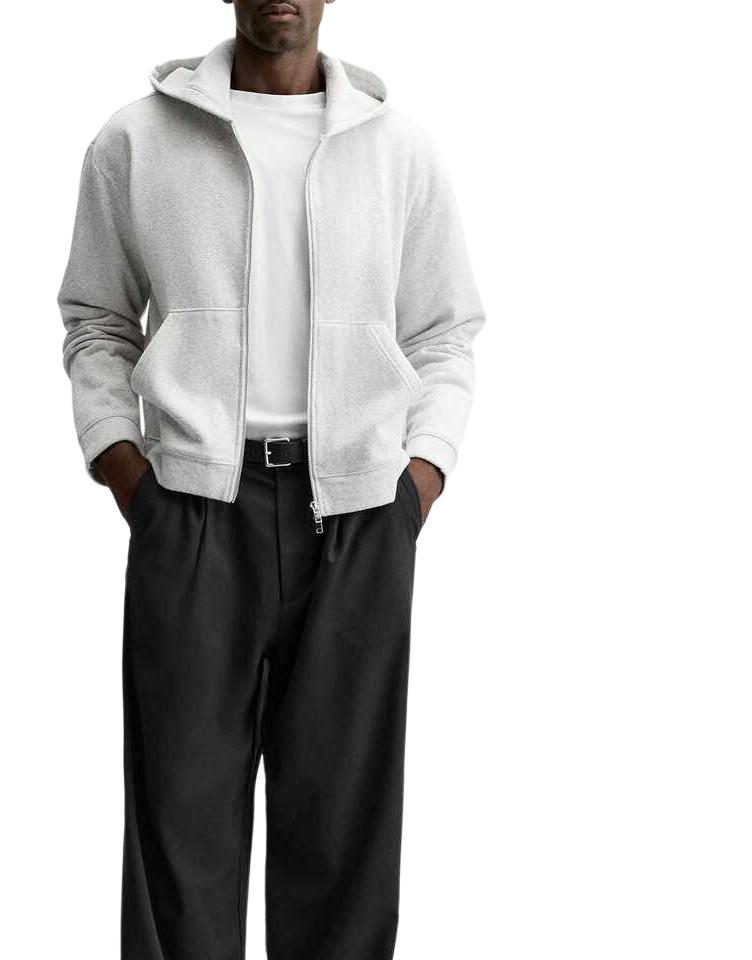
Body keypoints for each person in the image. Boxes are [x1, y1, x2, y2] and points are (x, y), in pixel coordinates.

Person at [57, 2, 485, 957]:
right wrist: (129, 474)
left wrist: (420, 478)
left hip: (360, 513)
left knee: (342, 840)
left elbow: (445, 332)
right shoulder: (137, 140)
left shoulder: (399, 149)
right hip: (193, 511)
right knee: (180, 835)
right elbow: (96, 319)